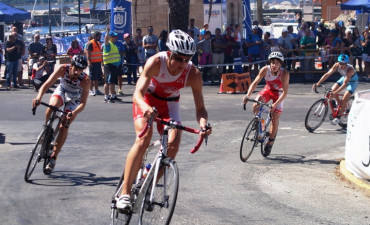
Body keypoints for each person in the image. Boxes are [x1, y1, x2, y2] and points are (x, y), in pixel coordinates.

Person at [115, 29, 212, 211]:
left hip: (169, 105)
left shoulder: (194, 74)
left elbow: (200, 109)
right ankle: (125, 194)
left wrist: (203, 124)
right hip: (147, 101)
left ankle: (148, 180)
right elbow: (137, 94)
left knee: (174, 144)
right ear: (169, 53)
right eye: (179, 58)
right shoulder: (155, 62)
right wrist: (145, 108)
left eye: (187, 59)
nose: (183, 64)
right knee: (144, 138)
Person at [31, 55, 90, 173]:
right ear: (71, 65)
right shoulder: (63, 69)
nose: (77, 72)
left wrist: (74, 112)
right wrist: (38, 97)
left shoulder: (85, 80)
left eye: (81, 70)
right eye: (76, 68)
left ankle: (53, 157)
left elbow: (83, 103)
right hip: (62, 90)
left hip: (74, 99)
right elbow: (47, 83)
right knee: (52, 106)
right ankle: (47, 130)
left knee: (65, 124)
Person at [243, 51, 290, 156]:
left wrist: (274, 105)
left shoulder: (285, 74)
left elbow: (285, 93)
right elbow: (255, 82)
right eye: (273, 63)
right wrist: (247, 95)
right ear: (270, 63)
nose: (274, 65)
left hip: (279, 94)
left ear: (280, 65)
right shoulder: (265, 70)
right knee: (256, 104)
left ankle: (270, 141)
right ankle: (259, 123)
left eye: (277, 63)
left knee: (275, 117)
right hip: (268, 90)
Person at [312, 54, 359, 125]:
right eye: (340, 63)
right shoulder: (336, 65)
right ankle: (339, 104)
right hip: (344, 78)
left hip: (352, 82)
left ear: (346, 63)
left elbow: (344, 84)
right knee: (332, 90)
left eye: (343, 64)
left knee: (344, 99)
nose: (341, 65)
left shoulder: (350, 69)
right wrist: (318, 83)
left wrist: (335, 93)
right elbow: (328, 74)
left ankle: (338, 117)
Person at [102, 28, 122, 103]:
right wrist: (107, 31)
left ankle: (113, 96)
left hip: (114, 66)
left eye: (116, 36)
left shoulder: (114, 45)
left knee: (112, 82)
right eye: (114, 36)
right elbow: (105, 39)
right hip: (109, 66)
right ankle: (106, 97)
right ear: (110, 37)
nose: (116, 37)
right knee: (108, 82)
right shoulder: (108, 45)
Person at [86, 31, 104, 96]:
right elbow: (88, 53)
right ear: (95, 36)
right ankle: (90, 90)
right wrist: (89, 62)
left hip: (98, 62)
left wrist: (101, 61)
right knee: (91, 77)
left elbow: (99, 53)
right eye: (99, 36)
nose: (100, 37)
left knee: (96, 77)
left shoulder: (98, 43)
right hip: (92, 62)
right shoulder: (91, 43)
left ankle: (96, 90)